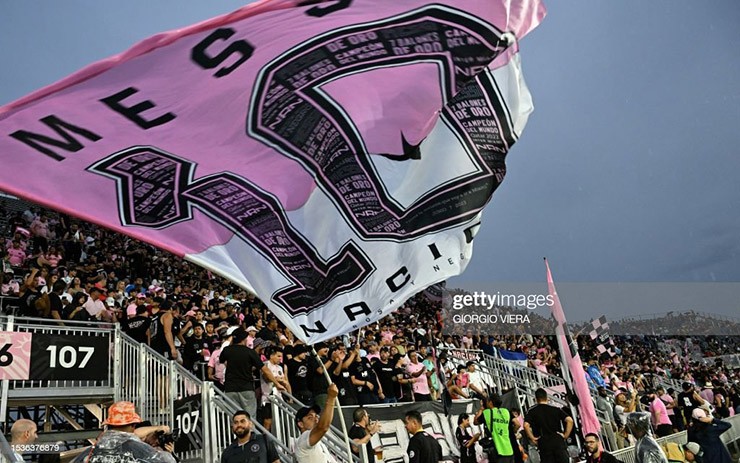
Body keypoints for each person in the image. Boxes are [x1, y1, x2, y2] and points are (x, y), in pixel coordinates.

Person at [84, 401, 176, 463]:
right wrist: (167, 454)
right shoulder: (138, 450)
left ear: (109, 425)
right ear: (133, 425)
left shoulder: (91, 452)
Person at [220, 328, 265, 419]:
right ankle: (251, 432)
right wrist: (276, 383)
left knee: (234, 417)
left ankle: (235, 433)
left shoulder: (227, 350)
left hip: (230, 388)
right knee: (249, 417)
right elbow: (264, 369)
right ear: (244, 339)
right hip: (246, 388)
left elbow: (222, 360)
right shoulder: (249, 352)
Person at [523, 388, 573, 463]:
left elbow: (526, 425)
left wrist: (533, 438)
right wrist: (565, 435)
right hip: (558, 440)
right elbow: (569, 420)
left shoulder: (532, 411)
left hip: (544, 442)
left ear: (536, 399)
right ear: (547, 397)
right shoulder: (555, 409)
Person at [294, 383, 339, 462]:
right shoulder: (302, 440)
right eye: (310, 417)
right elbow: (323, 427)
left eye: (316, 416)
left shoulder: (319, 443)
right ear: (300, 424)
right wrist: (331, 397)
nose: (316, 419)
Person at [476, 393, 516, 463]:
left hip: (497, 450)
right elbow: (517, 424)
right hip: (509, 449)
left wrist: (481, 409)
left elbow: (475, 421)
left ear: (490, 402)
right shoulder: (506, 412)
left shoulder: (487, 413)